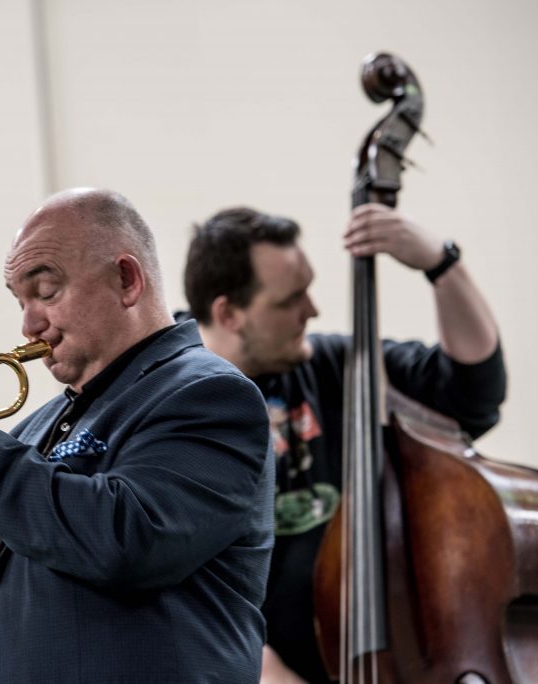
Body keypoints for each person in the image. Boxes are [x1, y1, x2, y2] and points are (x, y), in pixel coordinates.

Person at [0, 188, 276, 683]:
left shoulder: (208, 394)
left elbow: (131, 540)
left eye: (46, 292)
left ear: (126, 279)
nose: (30, 324)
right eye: (20, 301)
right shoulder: (40, 424)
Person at [181, 203, 507, 684]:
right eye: (291, 299)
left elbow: (474, 389)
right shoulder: (169, 402)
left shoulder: (335, 367)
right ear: (229, 313)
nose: (311, 310)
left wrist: (441, 264)